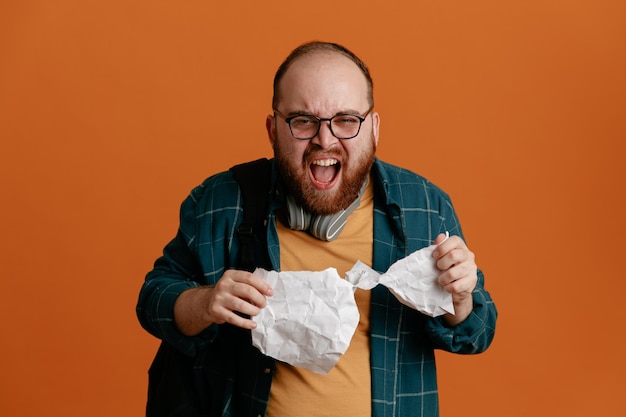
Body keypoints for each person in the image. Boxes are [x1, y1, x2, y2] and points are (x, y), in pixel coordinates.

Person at [137, 41, 497, 417]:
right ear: (272, 129)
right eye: (303, 121)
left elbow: (476, 334)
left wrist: (459, 299)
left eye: (346, 120)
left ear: (374, 128)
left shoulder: (424, 206)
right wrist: (206, 302)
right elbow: (153, 301)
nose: (325, 140)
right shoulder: (223, 200)